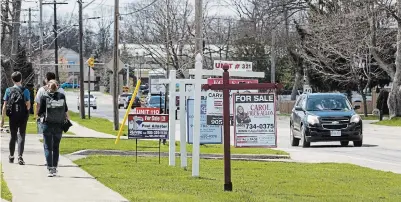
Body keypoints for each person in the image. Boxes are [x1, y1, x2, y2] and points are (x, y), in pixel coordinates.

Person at [38, 80, 69, 177]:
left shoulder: (44, 97)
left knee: (48, 147)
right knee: (56, 147)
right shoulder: (62, 96)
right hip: (59, 125)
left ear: (48, 87)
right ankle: (55, 167)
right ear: (57, 87)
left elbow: (40, 112)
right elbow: (65, 110)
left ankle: (50, 168)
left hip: (47, 125)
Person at [1, 71, 31, 165]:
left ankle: (11, 156)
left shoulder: (8, 90)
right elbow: (28, 105)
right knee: (21, 135)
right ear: (21, 79)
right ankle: (20, 156)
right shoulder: (25, 90)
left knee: (13, 135)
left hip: (12, 116)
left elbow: (4, 105)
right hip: (22, 116)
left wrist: (2, 119)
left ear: (12, 80)